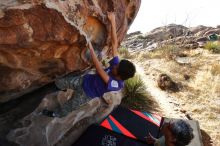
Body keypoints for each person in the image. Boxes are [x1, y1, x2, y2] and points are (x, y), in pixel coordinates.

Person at [42, 12, 136, 118]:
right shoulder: (117, 66)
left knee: (70, 106)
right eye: (116, 65)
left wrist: (91, 50)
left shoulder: (117, 85)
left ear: (119, 75)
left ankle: (55, 113)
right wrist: (113, 21)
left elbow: (100, 71)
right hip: (85, 80)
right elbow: (114, 44)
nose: (114, 65)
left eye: (116, 68)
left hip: (87, 94)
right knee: (60, 82)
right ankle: (62, 87)